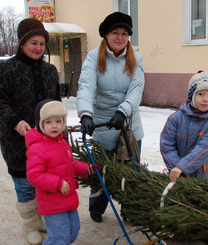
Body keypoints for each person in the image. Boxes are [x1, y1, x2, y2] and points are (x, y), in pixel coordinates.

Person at [0, 18, 61, 245]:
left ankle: (41, 219)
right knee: (24, 183)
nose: (38, 48)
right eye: (33, 42)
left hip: (46, 139)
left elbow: (56, 102)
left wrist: (61, 127)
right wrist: (16, 122)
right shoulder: (6, 69)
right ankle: (30, 225)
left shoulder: (50, 71)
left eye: (42, 43)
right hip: (16, 140)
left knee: (45, 181)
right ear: (21, 43)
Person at [76, 12, 145, 223]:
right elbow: (86, 86)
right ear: (106, 35)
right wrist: (86, 114)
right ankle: (97, 207)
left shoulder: (136, 58)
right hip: (103, 123)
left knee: (130, 172)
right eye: (115, 32)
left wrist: (123, 111)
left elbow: (136, 89)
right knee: (101, 171)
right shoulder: (94, 58)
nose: (120, 38)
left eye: (125, 34)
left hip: (128, 124)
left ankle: (129, 211)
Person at [25, 99, 98, 245]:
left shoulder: (62, 142)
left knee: (73, 231)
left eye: (58, 121)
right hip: (52, 203)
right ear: (40, 124)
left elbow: (69, 165)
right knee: (61, 237)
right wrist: (57, 183)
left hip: (68, 199)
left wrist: (86, 168)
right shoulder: (37, 148)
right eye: (48, 122)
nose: (54, 126)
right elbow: (34, 175)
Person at [160, 71, 208, 183]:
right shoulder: (175, 118)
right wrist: (177, 168)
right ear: (191, 95)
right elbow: (167, 145)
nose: (206, 99)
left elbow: (202, 149)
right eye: (200, 94)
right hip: (176, 174)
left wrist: (182, 167)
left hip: (200, 176)